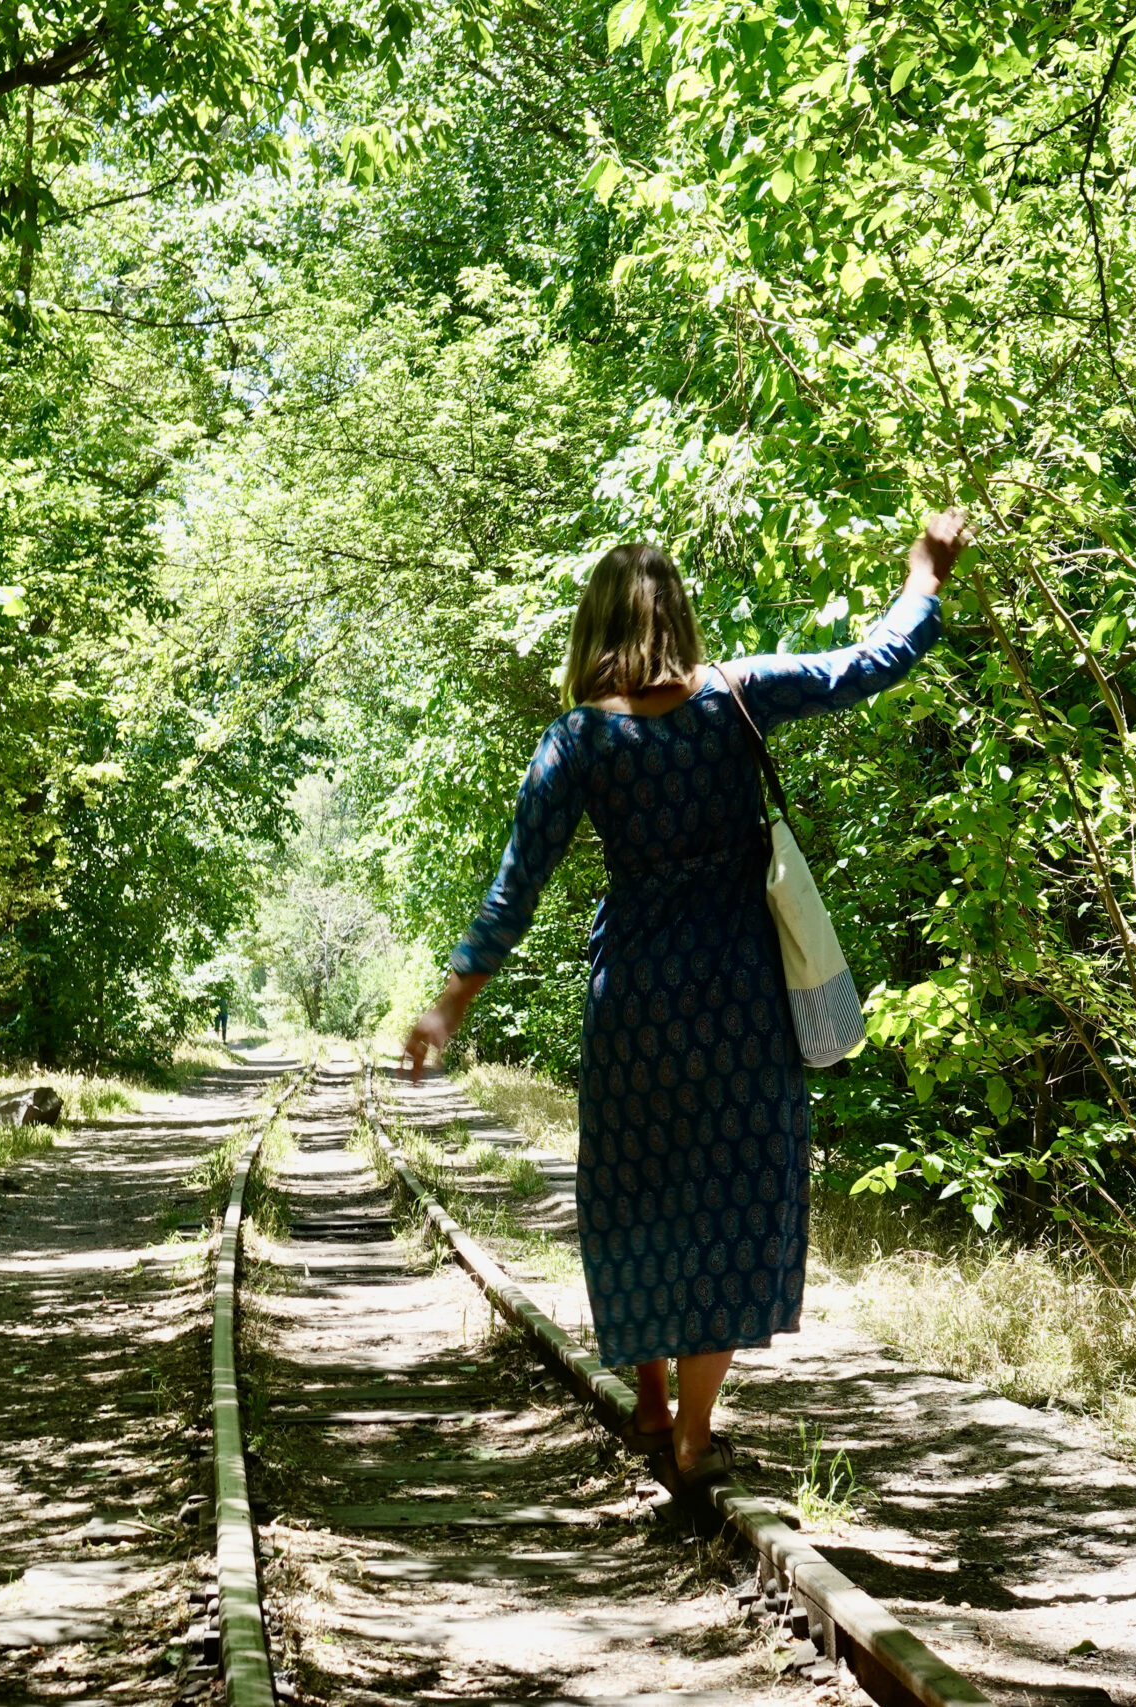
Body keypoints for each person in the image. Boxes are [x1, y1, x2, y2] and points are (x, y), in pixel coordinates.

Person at [401, 512, 966, 1488]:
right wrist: (923, 574)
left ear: (594, 629)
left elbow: (514, 888)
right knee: (726, 1202)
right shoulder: (739, 697)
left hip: (633, 1004)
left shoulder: (578, 740)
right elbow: (871, 662)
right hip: (740, 1001)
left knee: (634, 1200)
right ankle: (696, 1430)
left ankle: (651, 1403)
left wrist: (448, 1006)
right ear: (682, 617)